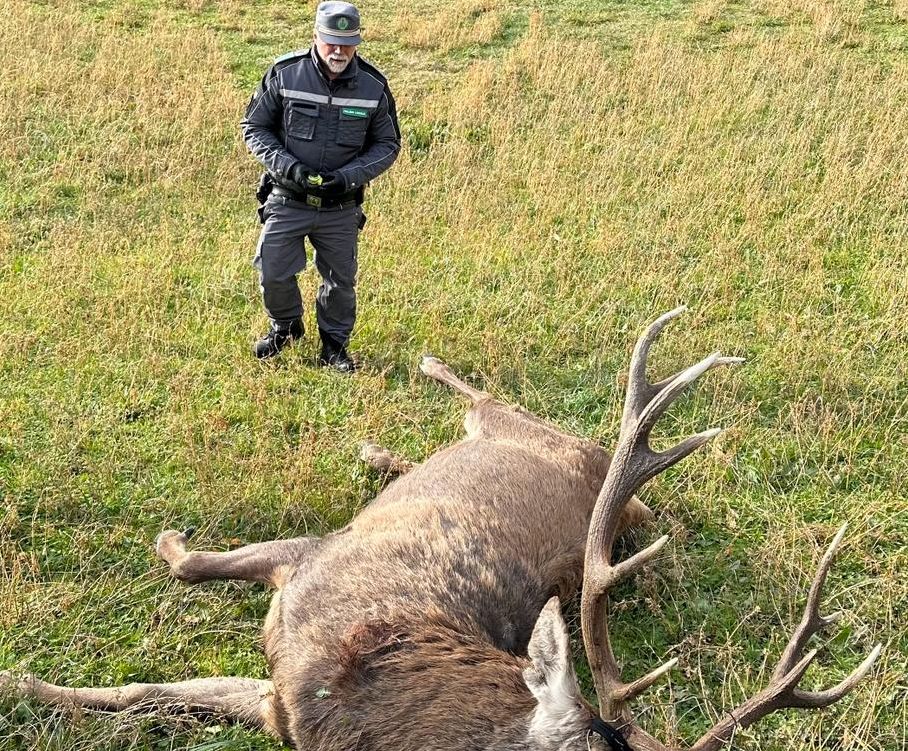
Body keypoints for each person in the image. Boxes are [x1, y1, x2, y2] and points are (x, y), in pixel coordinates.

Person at [241, 1, 401, 371]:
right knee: (272, 270)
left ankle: (334, 348)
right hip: (288, 197)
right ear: (315, 36)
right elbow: (254, 127)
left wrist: (349, 176)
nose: (339, 51)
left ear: (357, 43)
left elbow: (388, 144)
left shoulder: (374, 87)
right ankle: (285, 327)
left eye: (347, 43)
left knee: (340, 282)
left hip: (340, 207)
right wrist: (289, 168)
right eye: (331, 42)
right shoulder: (285, 74)